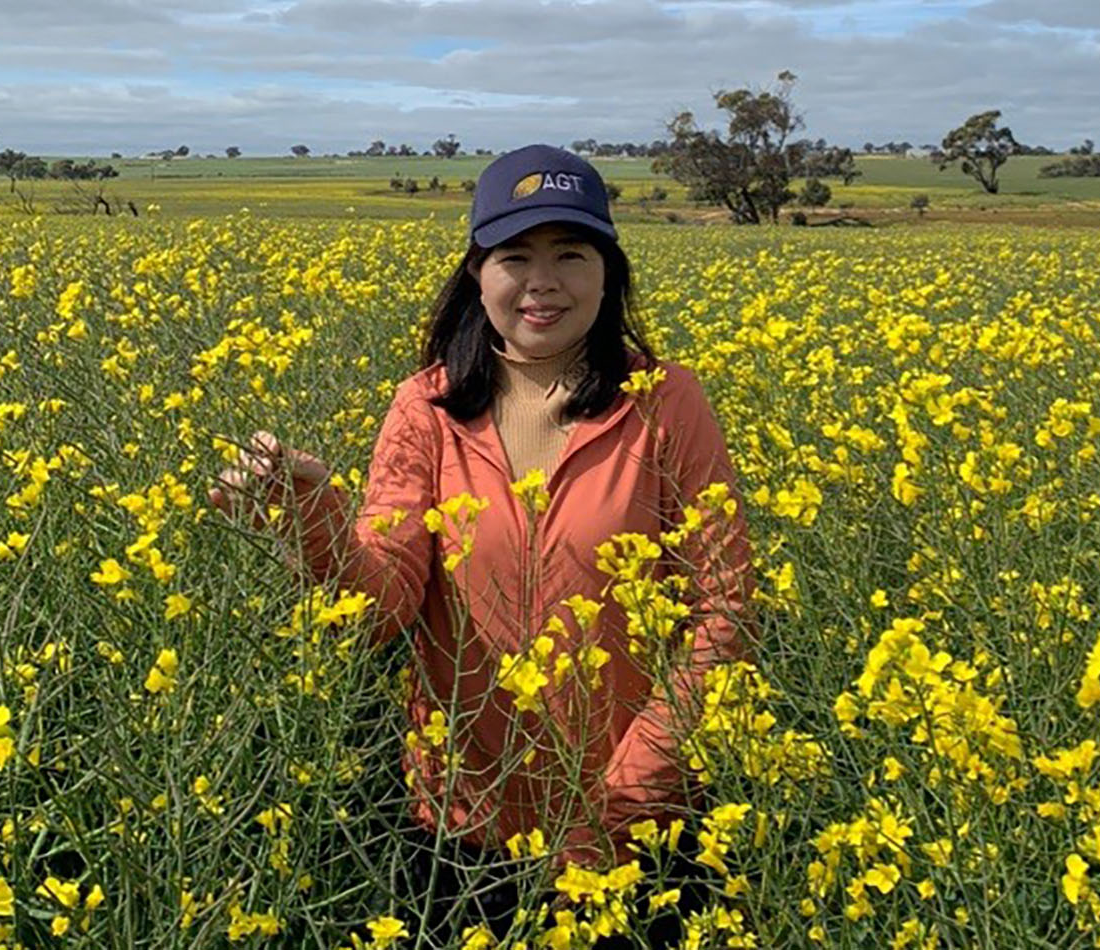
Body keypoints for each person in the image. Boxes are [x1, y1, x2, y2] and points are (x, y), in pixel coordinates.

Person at [209, 144, 755, 947]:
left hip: (642, 830)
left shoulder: (666, 402)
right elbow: (384, 605)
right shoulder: (425, 409)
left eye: (571, 254)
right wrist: (312, 519)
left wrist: (634, 787)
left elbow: (722, 604)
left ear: (609, 272)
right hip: (468, 829)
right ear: (477, 273)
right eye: (515, 256)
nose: (544, 282)